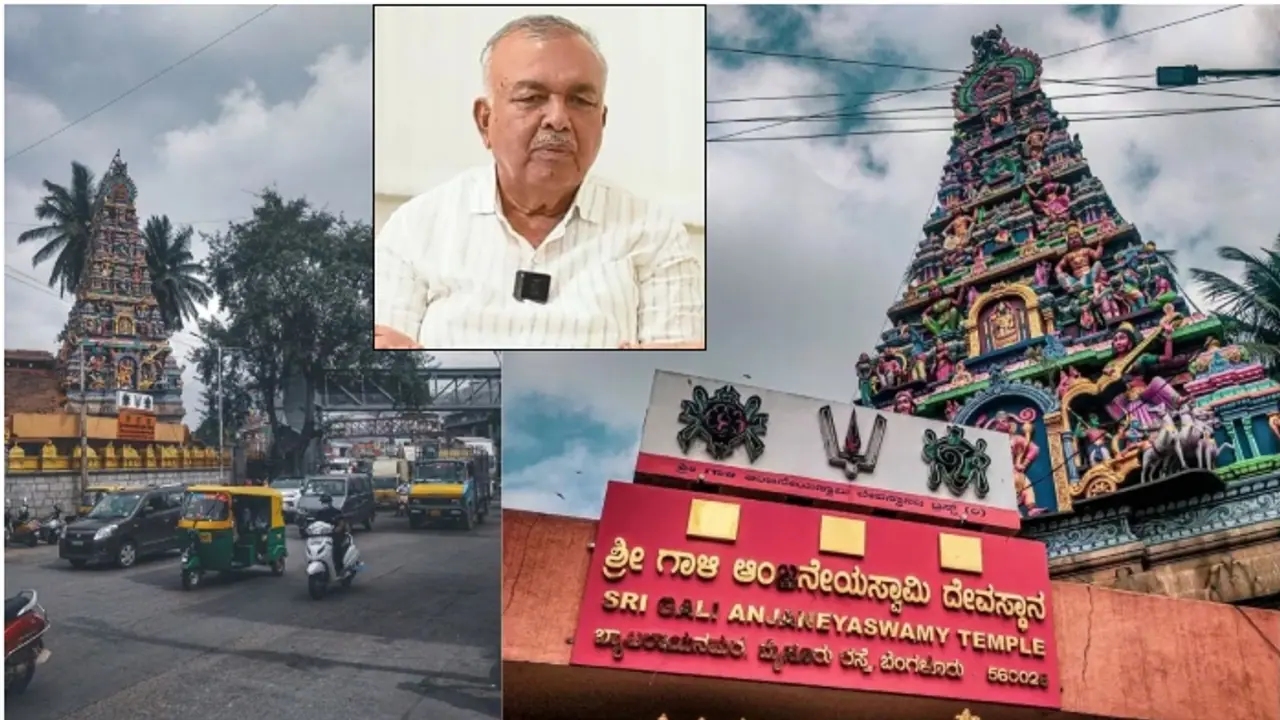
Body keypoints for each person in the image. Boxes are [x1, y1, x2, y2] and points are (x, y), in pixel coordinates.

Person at [374, 14, 705, 350]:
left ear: (601, 121)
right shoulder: (416, 228)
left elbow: (668, 376)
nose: (558, 120)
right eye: (531, 98)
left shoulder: (655, 235)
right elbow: (384, 367)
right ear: (484, 120)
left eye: (580, 100)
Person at [312, 494, 350, 574]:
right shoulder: (320, 513)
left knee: (336, 549)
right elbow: (315, 524)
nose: (324, 503)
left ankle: (340, 569)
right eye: (323, 502)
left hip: (335, 536)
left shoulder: (336, 512)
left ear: (330, 502)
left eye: (326, 502)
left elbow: (341, 523)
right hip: (323, 536)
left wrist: (337, 529)